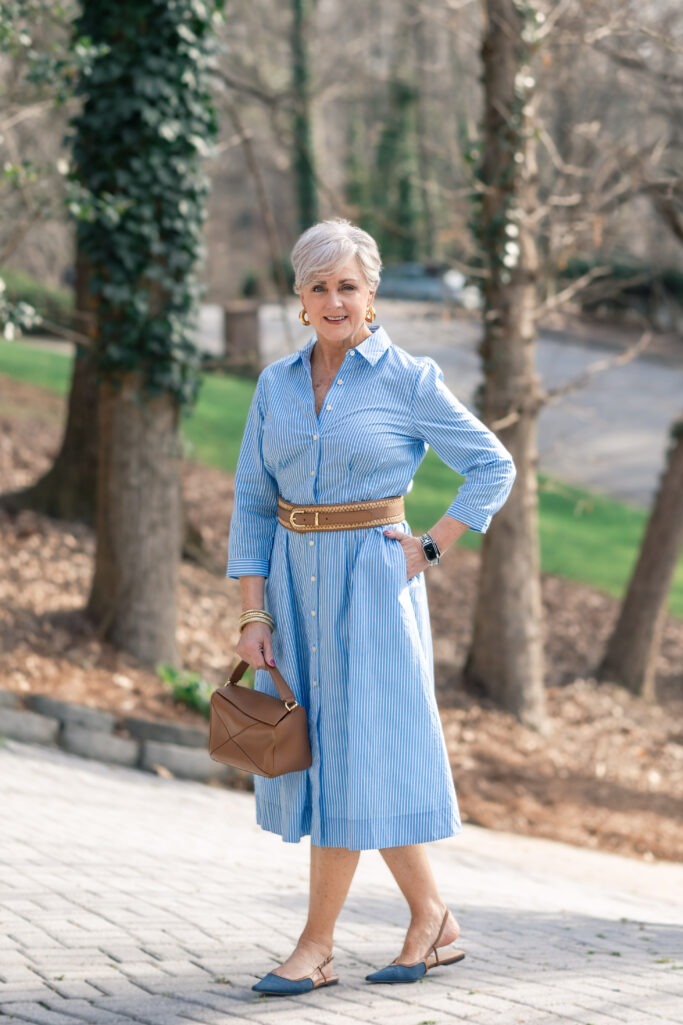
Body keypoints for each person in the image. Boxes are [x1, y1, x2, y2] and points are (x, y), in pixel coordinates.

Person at [226, 217, 516, 995]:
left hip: (372, 592)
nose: (333, 300)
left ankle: (315, 946)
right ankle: (433, 918)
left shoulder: (408, 379)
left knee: (351, 756)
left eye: (347, 286)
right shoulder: (275, 385)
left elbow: (492, 465)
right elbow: (251, 501)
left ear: (370, 293)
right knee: (333, 755)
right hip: (292, 589)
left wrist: (431, 546)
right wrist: (253, 613)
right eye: (318, 286)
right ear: (299, 296)